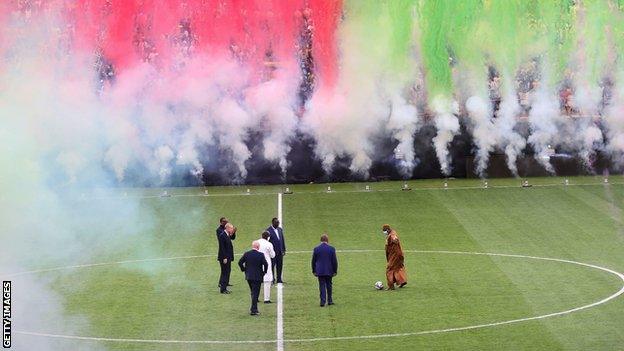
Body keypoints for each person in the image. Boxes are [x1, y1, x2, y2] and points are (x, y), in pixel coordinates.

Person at [238, 241, 269, 316]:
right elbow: (266, 264)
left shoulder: (247, 253)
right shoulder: (261, 255)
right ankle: (254, 310)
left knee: (253, 292)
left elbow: (240, 262)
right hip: (257, 277)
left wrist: (244, 269)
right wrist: (264, 272)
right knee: (255, 293)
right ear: (258, 247)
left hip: (249, 276)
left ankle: (253, 308)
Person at [311, 233, 338, 307]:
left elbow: (313, 261)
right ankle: (330, 300)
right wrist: (335, 270)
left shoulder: (316, 249)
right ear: (327, 240)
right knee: (329, 285)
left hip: (320, 271)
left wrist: (314, 270)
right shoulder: (332, 249)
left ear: (321, 240)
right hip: (329, 270)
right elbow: (334, 261)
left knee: (322, 285)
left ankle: (322, 302)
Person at [382, 224, 407, 290]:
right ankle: (402, 281)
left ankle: (391, 286)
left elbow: (395, 239)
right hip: (397, 254)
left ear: (387, 230)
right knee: (398, 267)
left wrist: (395, 240)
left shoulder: (392, 234)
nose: (384, 232)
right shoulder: (392, 233)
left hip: (395, 255)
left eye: (384, 231)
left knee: (389, 269)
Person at [217, 223, 236, 294]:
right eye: (231, 228)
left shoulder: (227, 234)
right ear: (227, 228)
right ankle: (223, 289)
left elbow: (232, 237)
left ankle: (224, 287)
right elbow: (222, 248)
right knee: (225, 272)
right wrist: (224, 257)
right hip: (224, 258)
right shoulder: (222, 235)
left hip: (228, 257)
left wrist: (233, 232)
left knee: (227, 271)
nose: (232, 229)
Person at [258, 231, 276, 303]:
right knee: (267, 281)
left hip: (257, 263)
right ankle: (266, 299)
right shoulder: (269, 244)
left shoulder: (257, 242)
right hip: (266, 264)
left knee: (257, 281)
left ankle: (255, 297)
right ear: (268, 237)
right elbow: (273, 255)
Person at [267, 217, 286, 283]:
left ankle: (279, 279)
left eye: (278, 222)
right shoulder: (268, 231)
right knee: (272, 266)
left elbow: (282, 240)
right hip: (273, 252)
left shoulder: (280, 229)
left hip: (280, 252)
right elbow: (267, 242)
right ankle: (272, 279)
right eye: (276, 222)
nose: (278, 224)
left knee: (280, 265)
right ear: (273, 223)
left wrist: (283, 249)